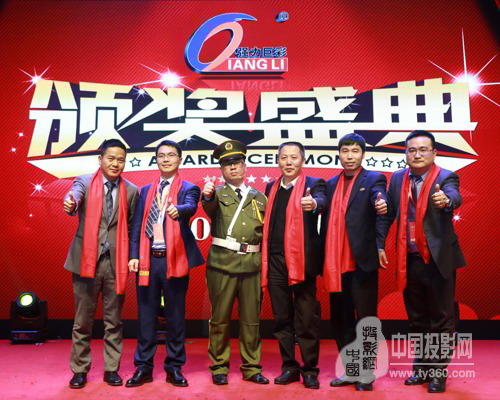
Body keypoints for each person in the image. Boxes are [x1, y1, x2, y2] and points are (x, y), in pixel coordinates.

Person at [378, 130, 466, 393]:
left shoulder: (446, 177)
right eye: (411, 150)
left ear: (434, 153)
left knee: (441, 318)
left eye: (423, 150)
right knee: (417, 318)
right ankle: (421, 368)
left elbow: (454, 196)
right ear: (405, 153)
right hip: (410, 259)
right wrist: (379, 243)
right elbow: (388, 214)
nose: (417, 155)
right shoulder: (397, 179)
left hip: (438, 259)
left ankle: (438, 372)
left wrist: (446, 200)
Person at [125, 140, 204, 388]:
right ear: (156, 159)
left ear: (180, 159)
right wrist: (134, 255)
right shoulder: (146, 190)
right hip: (148, 260)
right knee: (146, 316)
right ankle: (144, 367)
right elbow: (137, 225)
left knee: (175, 317)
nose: (166, 159)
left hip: (175, 259)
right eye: (161, 155)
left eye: (171, 155)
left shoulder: (189, 188)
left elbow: (190, 207)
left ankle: (174, 367)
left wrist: (176, 209)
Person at [63, 139, 139, 389]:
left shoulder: (131, 190)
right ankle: (79, 370)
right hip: (86, 261)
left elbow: (132, 228)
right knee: (82, 320)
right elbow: (75, 196)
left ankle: (111, 369)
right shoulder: (84, 182)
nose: (116, 163)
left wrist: (132, 256)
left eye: (121, 160)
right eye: (111, 158)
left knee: (114, 320)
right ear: (100, 159)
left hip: (115, 263)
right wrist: (71, 202)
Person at [320, 133, 387, 391]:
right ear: (339, 154)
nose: (350, 156)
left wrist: (381, 204)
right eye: (345, 151)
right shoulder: (330, 184)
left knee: (365, 320)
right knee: (341, 319)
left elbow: (379, 199)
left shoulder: (374, 179)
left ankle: (367, 373)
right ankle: (350, 370)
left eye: (355, 151)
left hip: (361, 261)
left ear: (363, 154)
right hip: (334, 263)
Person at [201, 140, 269, 385]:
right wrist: (207, 194)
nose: (232, 167)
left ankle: (251, 367)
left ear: (244, 166)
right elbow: (208, 205)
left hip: (252, 265)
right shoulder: (216, 194)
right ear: (221, 169)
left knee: (251, 320)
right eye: (226, 164)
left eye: (237, 162)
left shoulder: (260, 197)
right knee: (220, 319)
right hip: (222, 265)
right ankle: (219, 367)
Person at [261, 141, 327, 389]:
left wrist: (314, 204)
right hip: (275, 260)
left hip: (301, 261)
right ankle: (289, 367)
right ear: (278, 160)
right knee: (282, 318)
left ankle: (309, 369)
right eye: (284, 158)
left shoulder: (314, 184)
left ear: (303, 160)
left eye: (294, 157)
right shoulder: (271, 187)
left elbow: (321, 201)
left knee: (307, 318)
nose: (288, 162)